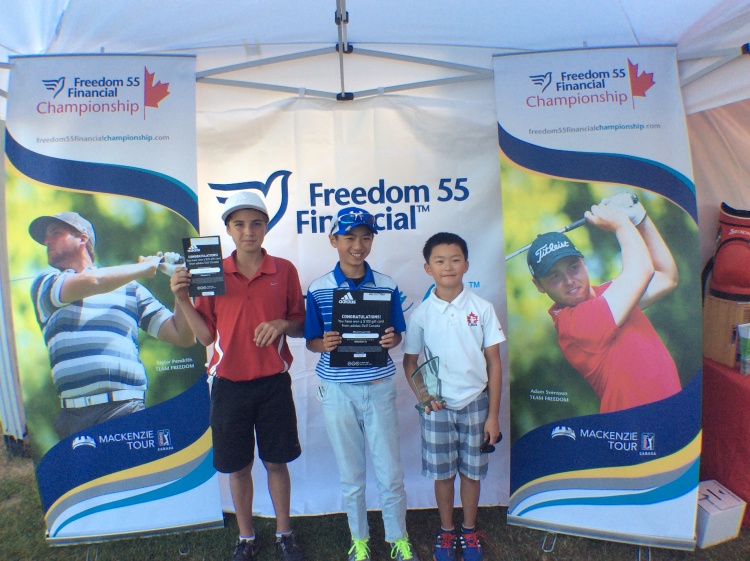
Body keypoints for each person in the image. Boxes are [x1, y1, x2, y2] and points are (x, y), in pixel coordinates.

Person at [170, 191, 306, 561]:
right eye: (240, 224)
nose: (248, 231)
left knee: (276, 461)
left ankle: (284, 533)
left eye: (256, 223)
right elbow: (205, 337)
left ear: (266, 227)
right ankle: (246, 538)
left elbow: (299, 324)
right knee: (238, 466)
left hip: (273, 383)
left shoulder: (284, 270)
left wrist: (281, 324)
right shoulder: (211, 270)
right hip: (228, 384)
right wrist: (181, 299)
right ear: (228, 229)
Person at [304, 207, 419, 561]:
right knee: (351, 474)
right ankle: (360, 540)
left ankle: (398, 538)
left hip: (378, 385)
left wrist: (390, 340)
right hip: (337, 389)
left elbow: (397, 334)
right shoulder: (319, 288)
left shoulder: (386, 285)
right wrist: (324, 343)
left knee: (390, 470)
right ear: (334, 240)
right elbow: (311, 341)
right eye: (350, 237)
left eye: (366, 237)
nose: (358, 245)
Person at [29, 211, 195, 440]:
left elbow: (183, 335)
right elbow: (93, 281)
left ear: (82, 238)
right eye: (46, 237)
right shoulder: (46, 284)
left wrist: (182, 291)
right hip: (73, 420)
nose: (47, 241)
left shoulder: (131, 289)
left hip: (126, 410)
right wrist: (145, 268)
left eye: (55, 233)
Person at [527, 193, 682, 414]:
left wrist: (639, 218)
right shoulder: (573, 324)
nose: (569, 280)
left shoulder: (608, 295)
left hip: (668, 413)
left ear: (584, 263)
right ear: (539, 285)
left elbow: (667, 277)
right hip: (631, 424)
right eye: (554, 276)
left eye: (573, 267)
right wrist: (620, 224)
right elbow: (642, 270)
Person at [402, 232, 504, 561]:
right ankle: (447, 531)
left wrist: (492, 416)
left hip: (476, 403)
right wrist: (425, 396)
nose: (448, 267)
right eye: (440, 261)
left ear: (467, 265)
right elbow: (410, 362)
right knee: (443, 473)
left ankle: (469, 530)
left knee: (471, 472)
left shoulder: (482, 309)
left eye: (455, 260)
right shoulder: (421, 315)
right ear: (428, 268)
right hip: (438, 408)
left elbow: (494, 362)